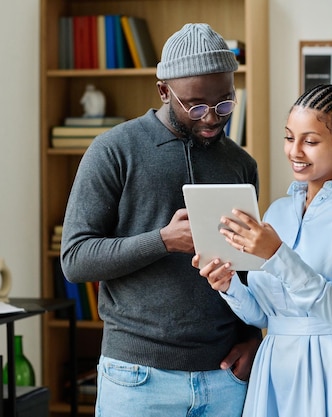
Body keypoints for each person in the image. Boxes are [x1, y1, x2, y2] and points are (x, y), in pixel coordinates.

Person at [61, 23, 262, 417]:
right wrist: (163, 240)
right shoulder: (113, 150)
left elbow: (248, 272)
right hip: (137, 380)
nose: (212, 118)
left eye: (224, 104)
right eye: (197, 106)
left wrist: (254, 340)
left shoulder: (241, 164)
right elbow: (76, 259)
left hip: (224, 379)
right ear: (164, 91)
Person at [193, 84, 332, 417]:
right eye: (290, 138)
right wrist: (228, 285)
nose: (295, 151)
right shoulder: (278, 212)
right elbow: (265, 315)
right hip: (277, 364)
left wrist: (277, 255)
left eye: (311, 141)